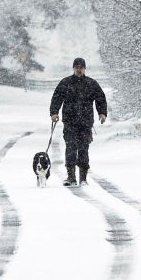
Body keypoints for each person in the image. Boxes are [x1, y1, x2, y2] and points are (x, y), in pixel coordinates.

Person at [49, 57, 107, 186]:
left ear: (84, 68)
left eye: (81, 67)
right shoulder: (66, 83)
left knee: (83, 149)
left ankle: (83, 178)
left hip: (85, 123)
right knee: (70, 148)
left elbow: (100, 98)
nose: (79, 69)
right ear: (73, 68)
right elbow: (57, 97)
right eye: (77, 67)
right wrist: (54, 112)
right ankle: (70, 177)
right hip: (70, 122)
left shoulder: (91, 84)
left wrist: (102, 113)